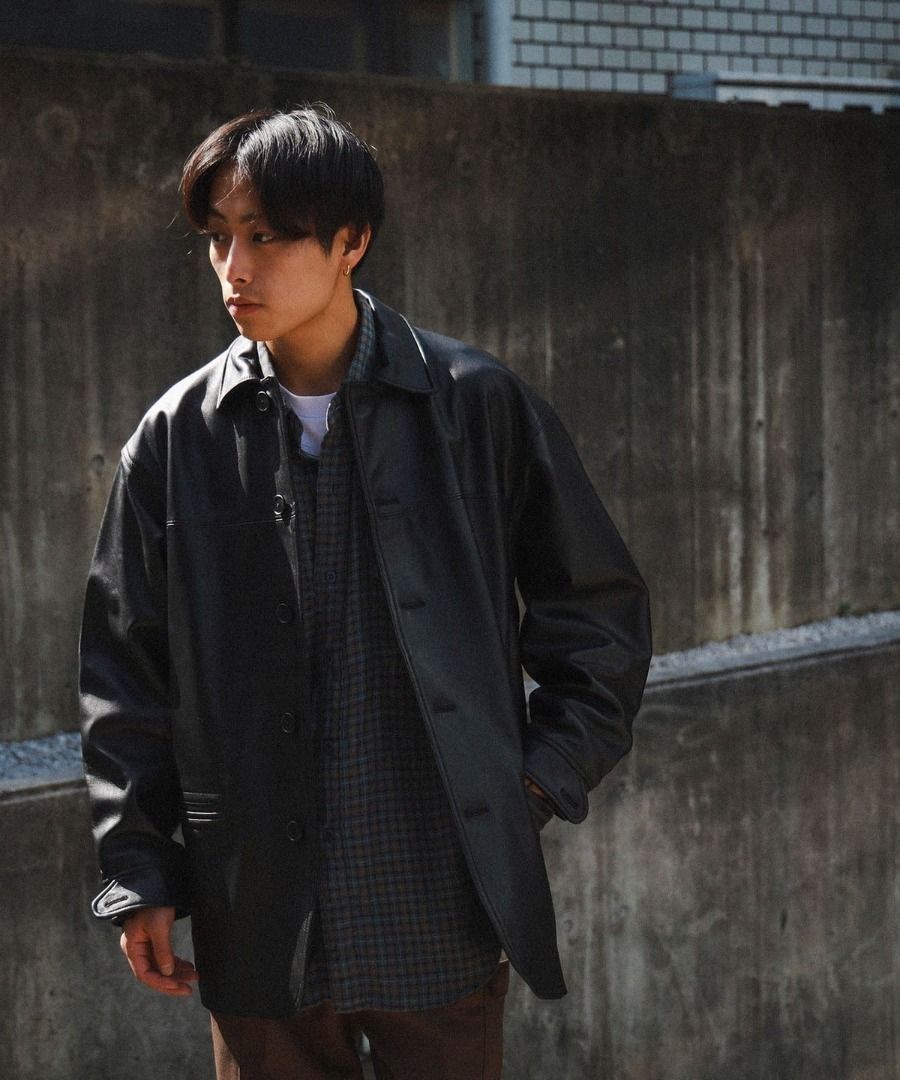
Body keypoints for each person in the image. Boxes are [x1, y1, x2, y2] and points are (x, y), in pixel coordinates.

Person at [79, 104, 652, 1080]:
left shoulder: (475, 406)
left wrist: (532, 781)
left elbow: (597, 614)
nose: (234, 267)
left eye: (267, 235)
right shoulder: (178, 438)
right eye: (218, 237)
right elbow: (124, 672)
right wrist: (138, 867)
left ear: (352, 240)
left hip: (437, 899)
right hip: (259, 908)